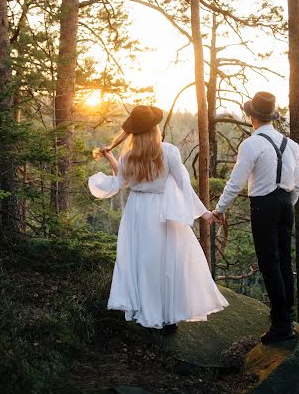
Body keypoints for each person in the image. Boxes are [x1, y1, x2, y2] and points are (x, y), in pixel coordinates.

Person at [88, 104, 229, 333]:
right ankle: (167, 317)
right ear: (154, 129)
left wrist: (110, 160)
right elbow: (184, 185)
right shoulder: (169, 151)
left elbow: (119, 183)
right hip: (163, 211)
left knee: (143, 262)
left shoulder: (128, 155)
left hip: (137, 211)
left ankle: (146, 310)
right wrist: (204, 213)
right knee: (167, 262)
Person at [212, 92, 299, 344]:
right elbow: (298, 184)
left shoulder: (251, 144)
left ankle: (281, 325)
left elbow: (236, 182)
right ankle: (286, 318)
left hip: (264, 205)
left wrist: (220, 209)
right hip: (286, 203)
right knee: (284, 260)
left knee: (269, 262)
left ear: (251, 116)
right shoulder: (291, 145)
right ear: (270, 117)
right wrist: (287, 204)